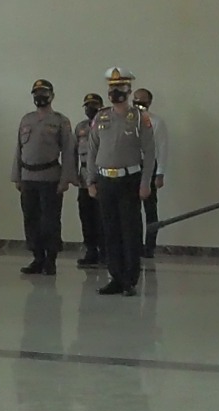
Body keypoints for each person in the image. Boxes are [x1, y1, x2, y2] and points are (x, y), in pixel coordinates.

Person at [84, 67, 155, 296]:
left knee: (130, 231)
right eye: (112, 88)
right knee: (110, 231)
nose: (115, 92)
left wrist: (146, 183)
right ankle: (115, 277)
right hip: (105, 180)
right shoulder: (101, 117)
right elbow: (92, 151)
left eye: (120, 88)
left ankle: (129, 280)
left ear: (128, 90)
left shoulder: (139, 118)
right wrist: (91, 181)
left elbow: (150, 153)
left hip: (129, 180)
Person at [12, 79, 75, 276]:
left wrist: (65, 179)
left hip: (50, 178)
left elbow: (68, 151)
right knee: (31, 220)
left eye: (44, 93)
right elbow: (19, 150)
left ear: (52, 96)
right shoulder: (26, 119)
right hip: (28, 177)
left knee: (50, 221)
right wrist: (17, 176)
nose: (40, 97)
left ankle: (50, 260)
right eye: (36, 93)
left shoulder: (60, 121)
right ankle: (37, 258)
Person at [132, 88, 168, 259]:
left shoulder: (156, 122)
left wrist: (160, 173)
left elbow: (162, 148)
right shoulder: (127, 120)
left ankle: (150, 247)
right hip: (131, 167)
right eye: (136, 99)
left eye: (143, 100)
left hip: (150, 167)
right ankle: (134, 245)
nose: (139, 103)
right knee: (132, 210)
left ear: (149, 102)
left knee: (150, 209)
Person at [74, 93, 105, 268]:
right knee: (86, 217)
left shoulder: (107, 125)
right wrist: (73, 175)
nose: (90, 108)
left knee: (103, 217)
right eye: (87, 105)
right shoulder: (80, 128)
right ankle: (91, 251)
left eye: (94, 105)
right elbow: (73, 152)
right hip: (84, 177)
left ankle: (106, 252)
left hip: (102, 176)